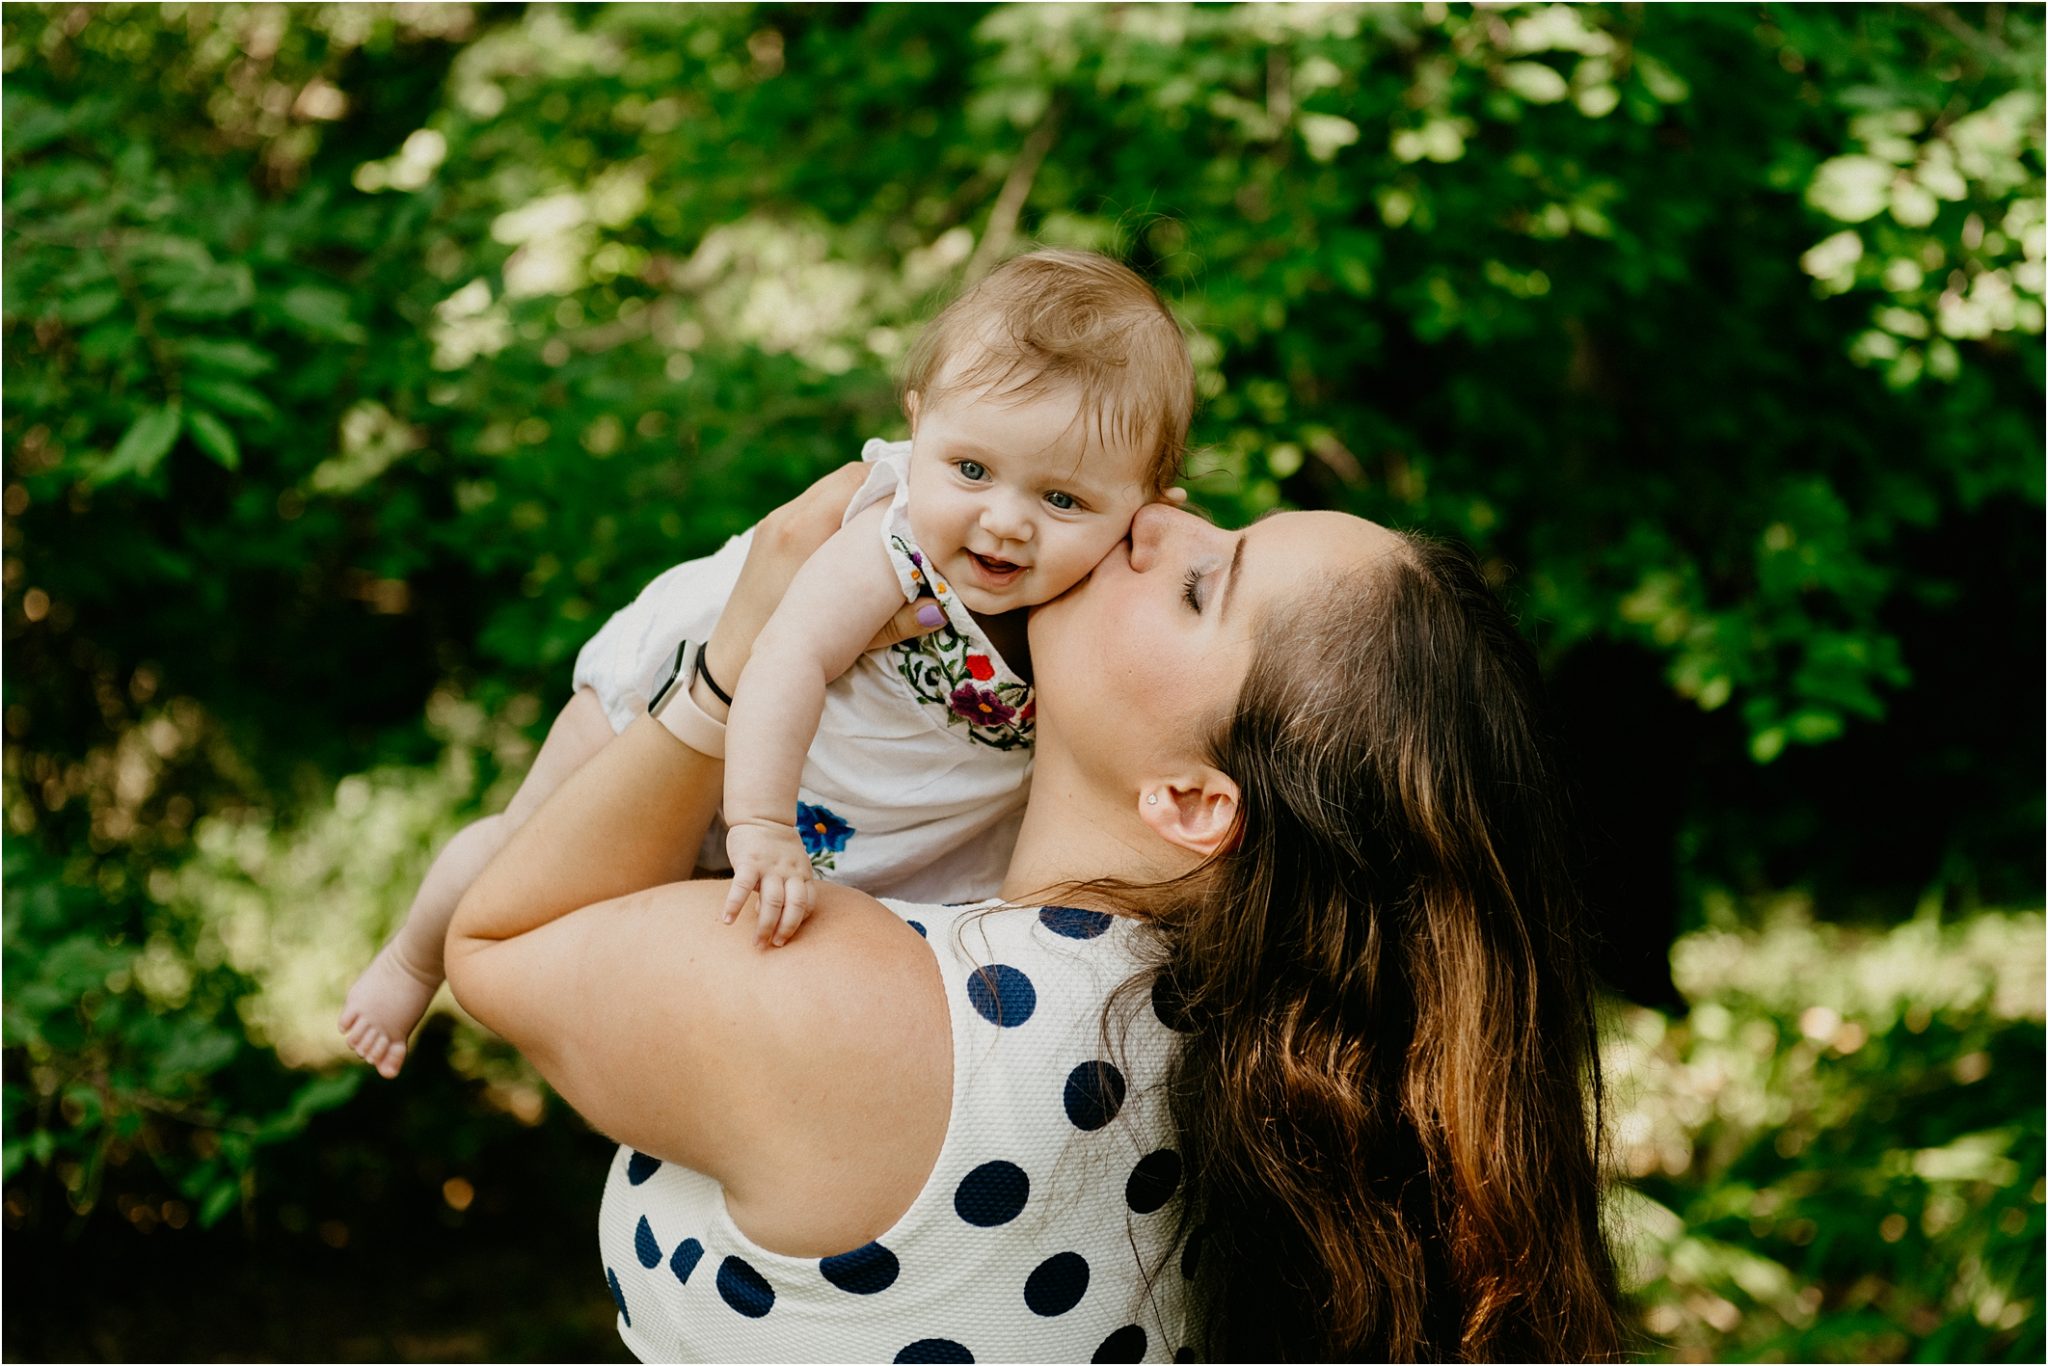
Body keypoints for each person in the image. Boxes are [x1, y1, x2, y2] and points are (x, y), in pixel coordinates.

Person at [443, 471, 1624, 1361]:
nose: (1156, 512)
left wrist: (738, 661)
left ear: (1193, 799)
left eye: (1201, 583)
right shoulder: (1270, 1086)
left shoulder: (875, 1015)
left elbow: (494, 945)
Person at [339, 249, 1194, 1076]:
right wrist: (758, 824)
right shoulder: (890, 544)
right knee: (529, 840)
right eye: (970, 468)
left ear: (1147, 510)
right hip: (693, 713)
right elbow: (785, 654)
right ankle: (414, 962)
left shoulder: (1103, 597)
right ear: (916, 421)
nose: (1005, 521)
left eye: (1062, 499)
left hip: (849, 820)